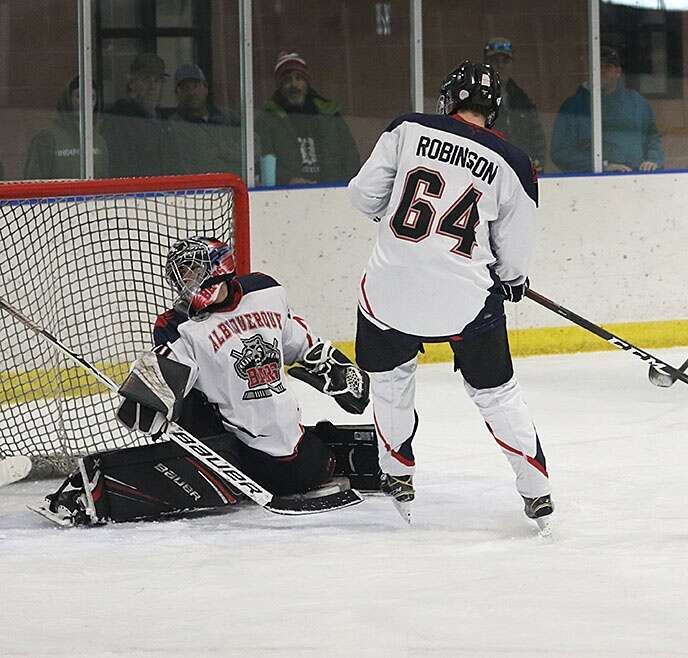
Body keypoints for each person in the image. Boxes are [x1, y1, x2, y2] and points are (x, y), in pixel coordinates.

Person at [34, 237, 379, 526]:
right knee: (196, 439)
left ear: (221, 267)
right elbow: (153, 394)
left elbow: (300, 344)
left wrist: (334, 369)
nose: (189, 282)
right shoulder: (179, 326)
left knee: (310, 463)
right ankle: (92, 488)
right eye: (181, 276)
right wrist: (146, 400)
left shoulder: (266, 290)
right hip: (234, 453)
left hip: (293, 451)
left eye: (195, 271)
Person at [347, 61, 551, 530]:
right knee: (497, 395)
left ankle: (397, 472)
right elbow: (514, 254)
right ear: (493, 109)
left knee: (391, 381)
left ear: (450, 99)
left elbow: (362, 197)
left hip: (389, 291)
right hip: (464, 300)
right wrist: (512, 278)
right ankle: (536, 490)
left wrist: (393, 219)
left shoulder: (407, 128)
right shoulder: (515, 162)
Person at [551, 45, 663, 173]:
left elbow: (653, 136)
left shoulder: (637, 102)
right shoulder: (573, 106)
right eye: (597, 67)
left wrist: (653, 159)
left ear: (618, 72)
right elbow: (560, 152)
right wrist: (602, 166)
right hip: (590, 184)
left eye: (607, 67)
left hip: (636, 179)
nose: (601, 71)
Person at [258, 51, 362, 185]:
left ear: (307, 82)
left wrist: (345, 185)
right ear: (280, 86)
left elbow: (350, 156)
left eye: (299, 78)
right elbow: (261, 160)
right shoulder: (267, 119)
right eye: (287, 80)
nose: (294, 85)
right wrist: (287, 180)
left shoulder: (329, 114)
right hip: (287, 195)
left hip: (333, 192)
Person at [23, 76, 106, 180]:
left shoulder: (99, 141)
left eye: (92, 97)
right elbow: (33, 182)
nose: (86, 102)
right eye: (79, 96)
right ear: (68, 100)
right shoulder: (47, 139)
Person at [103, 52, 172, 177]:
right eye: (146, 79)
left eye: (157, 80)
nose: (152, 86)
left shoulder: (163, 122)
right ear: (132, 82)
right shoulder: (120, 119)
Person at [483, 37, 547, 173]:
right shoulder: (477, 99)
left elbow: (537, 137)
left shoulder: (522, 99)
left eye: (505, 61)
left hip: (518, 172)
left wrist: (537, 162)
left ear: (512, 64)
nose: (500, 66)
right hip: (488, 173)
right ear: (486, 64)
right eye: (495, 61)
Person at [167, 64, 240, 176]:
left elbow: (252, 151)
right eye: (185, 88)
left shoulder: (229, 117)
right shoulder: (172, 126)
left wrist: (225, 152)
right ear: (177, 93)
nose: (191, 92)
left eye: (195, 86)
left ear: (205, 88)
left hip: (234, 185)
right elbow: (194, 162)